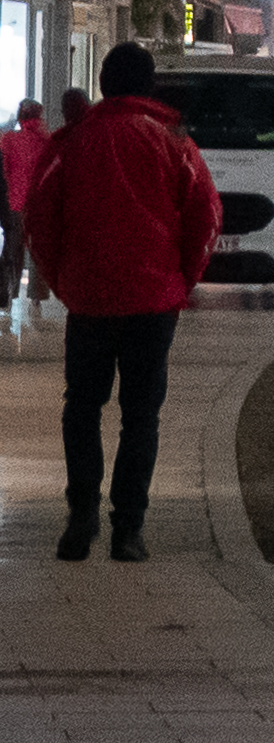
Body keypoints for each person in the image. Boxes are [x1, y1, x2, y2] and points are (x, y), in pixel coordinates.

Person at [25, 40, 221, 563]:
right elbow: (206, 214)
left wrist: (61, 279)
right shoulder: (174, 140)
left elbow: (39, 217)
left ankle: (80, 516)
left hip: (88, 298)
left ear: (104, 84)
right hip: (152, 301)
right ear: (149, 86)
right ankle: (128, 529)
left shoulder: (73, 140)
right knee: (141, 415)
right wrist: (183, 278)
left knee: (81, 408)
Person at [1, 97, 52, 324]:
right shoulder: (46, 141)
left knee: (13, 252)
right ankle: (37, 298)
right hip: (39, 204)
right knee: (39, 252)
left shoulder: (9, 140)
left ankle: (8, 295)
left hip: (15, 202)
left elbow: (4, 171)